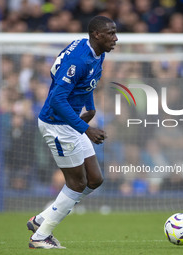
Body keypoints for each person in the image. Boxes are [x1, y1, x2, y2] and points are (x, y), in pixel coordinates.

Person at [27, 15, 118, 249]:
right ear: (97, 34)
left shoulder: (96, 52)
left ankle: (41, 219)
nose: (115, 38)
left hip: (70, 123)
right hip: (56, 124)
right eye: (111, 33)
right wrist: (85, 128)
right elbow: (57, 99)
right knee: (77, 183)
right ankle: (40, 237)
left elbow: (86, 82)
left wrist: (90, 107)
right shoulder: (78, 59)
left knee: (95, 180)